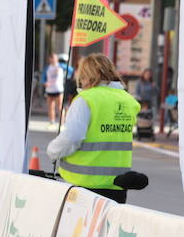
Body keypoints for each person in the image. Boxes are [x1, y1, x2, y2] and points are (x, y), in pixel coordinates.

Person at [46, 53, 141, 204]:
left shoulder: (86, 100)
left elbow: (72, 137)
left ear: (87, 75)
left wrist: (53, 151)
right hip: (117, 186)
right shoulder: (128, 101)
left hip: (84, 186)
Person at [43, 53, 65, 127]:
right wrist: (44, 83)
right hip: (50, 90)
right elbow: (43, 78)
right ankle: (52, 122)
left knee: (60, 107)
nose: (52, 59)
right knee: (50, 106)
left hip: (58, 89)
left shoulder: (61, 66)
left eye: (54, 58)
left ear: (57, 59)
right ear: (49, 59)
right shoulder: (47, 67)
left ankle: (62, 123)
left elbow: (71, 70)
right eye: (51, 58)